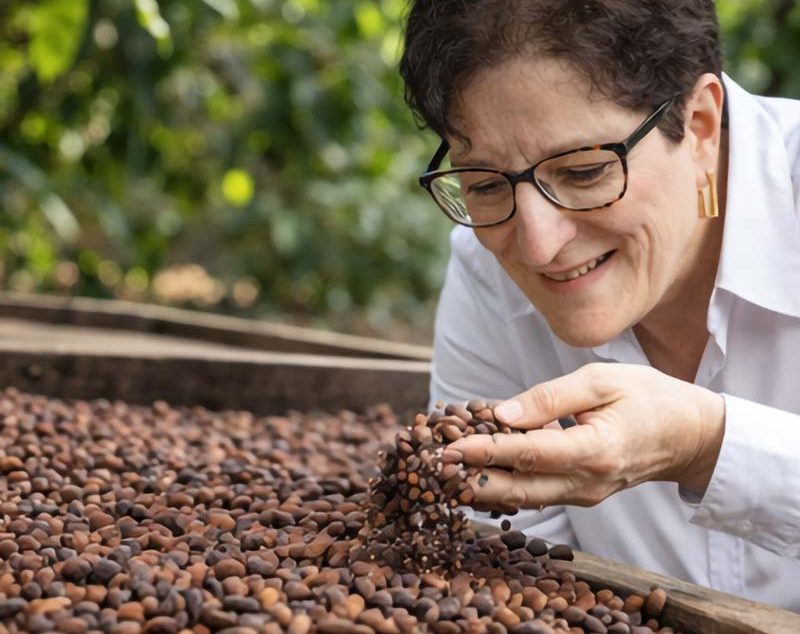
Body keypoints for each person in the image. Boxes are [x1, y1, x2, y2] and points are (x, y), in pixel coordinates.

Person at [399, 0, 800, 611]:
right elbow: (514, 575)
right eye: (482, 183)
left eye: (584, 172)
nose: (538, 245)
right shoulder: (486, 269)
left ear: (698, 125)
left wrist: (704, 444)